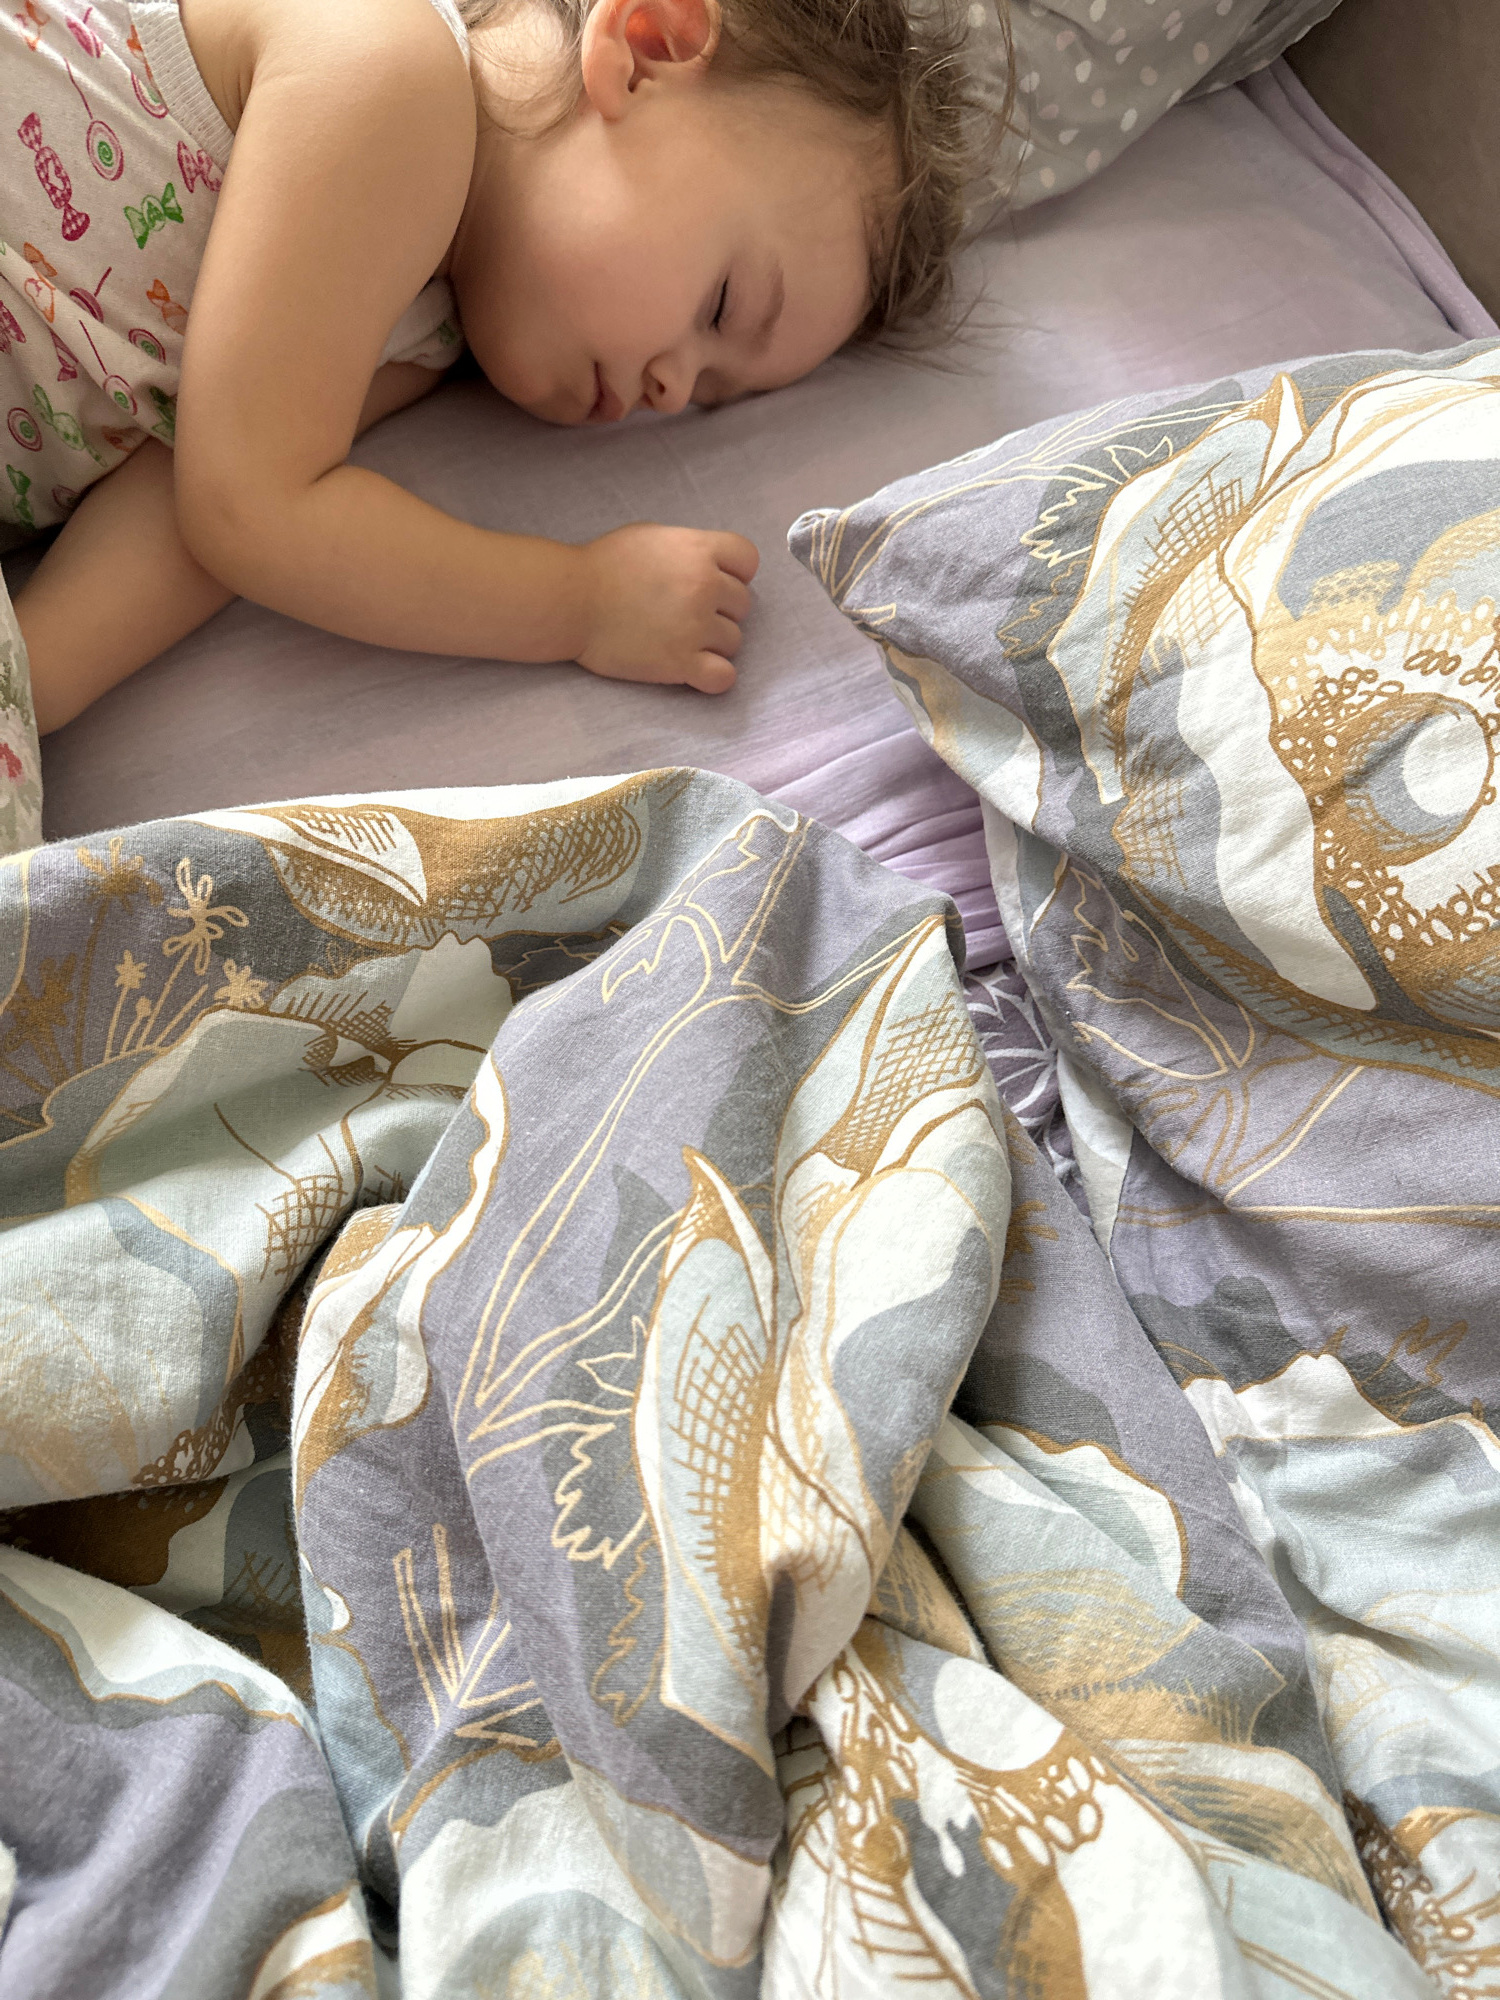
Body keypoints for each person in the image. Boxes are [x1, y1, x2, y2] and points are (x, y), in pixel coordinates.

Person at [0, 0, 991, 737]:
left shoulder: (425, 333)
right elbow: (248, 504)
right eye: (722, 306)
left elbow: (195, 488)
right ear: (646, 46)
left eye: (712, 394)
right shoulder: (391, 73)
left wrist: (31, 677)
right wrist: (576, 603)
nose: (672, 390)